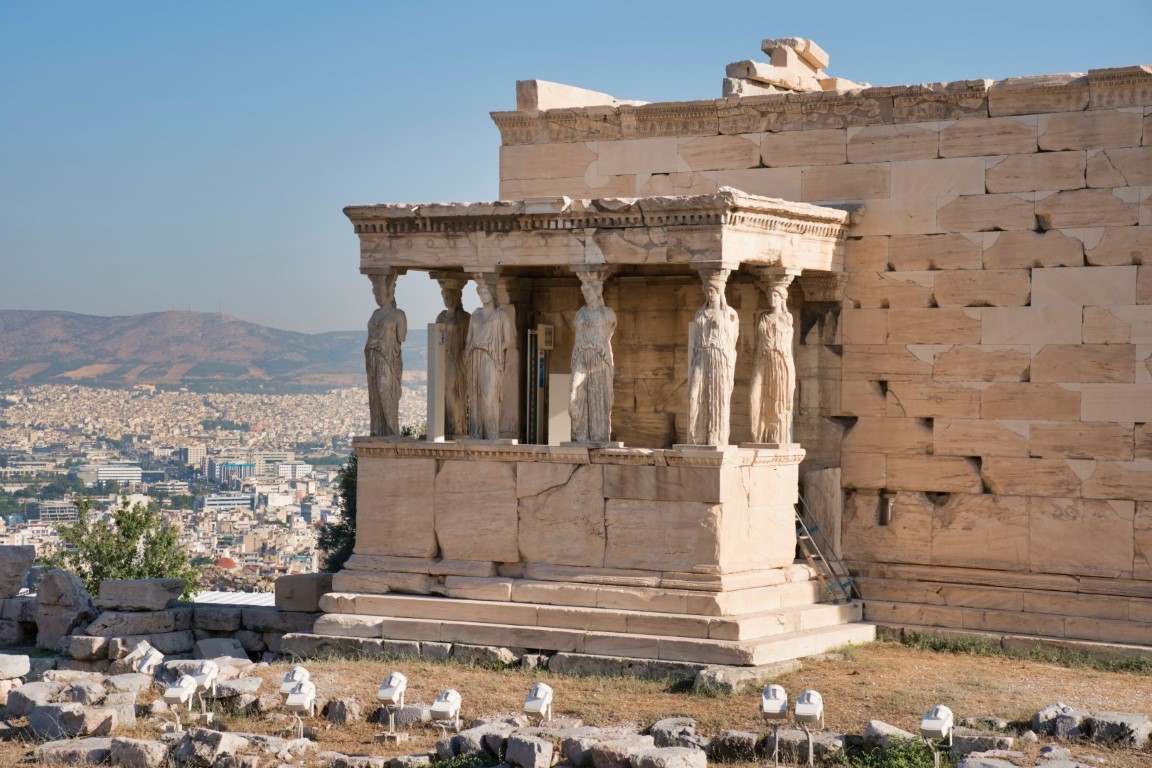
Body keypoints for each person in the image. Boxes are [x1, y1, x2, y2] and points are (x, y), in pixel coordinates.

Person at [687, 269, 739, 446]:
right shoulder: (700, 313)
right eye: (707, 290)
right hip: (700, 356)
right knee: (694, 394)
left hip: (718, 356)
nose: (709, 294)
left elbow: (732, 340)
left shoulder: (729, 314)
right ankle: (697, 436)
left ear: (720, 291)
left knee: (717, 396)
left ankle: (715, 438)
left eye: (712, 290)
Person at [569, 272, 616, 443]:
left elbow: (609, 334)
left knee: (597, 399)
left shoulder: (608, 314)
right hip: (580, 357)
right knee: (574, 395)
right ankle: (579, 435)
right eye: (584, 293)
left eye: (588, 292)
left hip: (599, 357)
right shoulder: (580, 314)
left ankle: (598, 436)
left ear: (597, 292)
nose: (586, 295)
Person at [465, 279, 514, 439]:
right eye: (480, 293)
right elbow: (469, 338)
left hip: (491, 356)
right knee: (475, 394)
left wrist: (495, 347)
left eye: (486, 292)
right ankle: (476, 433)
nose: (483, 296)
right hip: (475, 356)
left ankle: (491, 434)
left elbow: (509, 339)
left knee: (488, 393)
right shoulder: (475, 315)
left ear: (492, 294)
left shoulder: (501, 315)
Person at [750, 281, 795, 444]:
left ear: (782, 297)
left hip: (780, 361)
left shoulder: (787, 318)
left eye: (775, 295)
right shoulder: (763, 317)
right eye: (770, 295)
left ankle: (775, 437)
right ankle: (758, 434)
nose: (772, 298)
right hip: (762, 360)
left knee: (778, 402)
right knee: (754, 398)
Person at [365, 272, 406, 437]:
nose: (378, 297)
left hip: (389, 359)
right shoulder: (375, 314)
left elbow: (401, 337)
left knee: (384, 388)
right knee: (375, 392)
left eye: (381, 293)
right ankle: (379, 429)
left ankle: (392, 430)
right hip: (373, 357)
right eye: (375, 294)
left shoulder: (398, 315)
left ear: (389, 293)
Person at [436, 283, 470, 437]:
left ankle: (458, 424)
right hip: (443, 358)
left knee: (451, 389)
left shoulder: (464, 318)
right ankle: (449, 425)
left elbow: (469, 341)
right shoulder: (441, 317)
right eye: (444, 297)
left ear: (458, 297)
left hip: (456, 359)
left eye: (450, 296)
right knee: (444, 391)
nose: (447, 299)